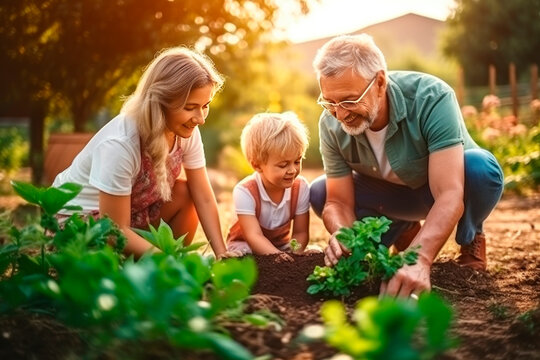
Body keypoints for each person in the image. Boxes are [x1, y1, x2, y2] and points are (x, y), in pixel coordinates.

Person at [309, 34, 504, 298]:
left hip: (438, 190)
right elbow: (338, 203)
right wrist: (344, 234)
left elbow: (449, 193)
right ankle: (403, 228)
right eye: (330, 102)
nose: (340, 114)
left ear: (379, 82)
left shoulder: (432, 97)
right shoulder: (330, 122)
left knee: (480, 168)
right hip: (391, 196)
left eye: (349, 100)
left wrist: (419, 259)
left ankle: (471, 236)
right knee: (320, 192)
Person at [53, 47, 234, 259]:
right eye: (190, 107)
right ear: (161, 101)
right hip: (85, 226)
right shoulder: (120, 144)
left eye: (205, 105)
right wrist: (167, 262)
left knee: (186, 194)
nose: (201, 118)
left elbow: (203, 196)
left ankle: (160, 264)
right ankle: (162, 265)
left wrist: (223, 255)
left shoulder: (186, 130)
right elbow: (114, 230)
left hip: (131, 213)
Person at [226, 112, 311, 258]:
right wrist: (277, 256)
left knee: (312, 251)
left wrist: (294, 253)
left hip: (281, 246)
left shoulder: (300, 187)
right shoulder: (245, 191)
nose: (292, 170)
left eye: (297, 161)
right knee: (243, 256)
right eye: (283, 165)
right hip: (246, 245)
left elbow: (300, 233)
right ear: (257, 165)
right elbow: (253, 236)